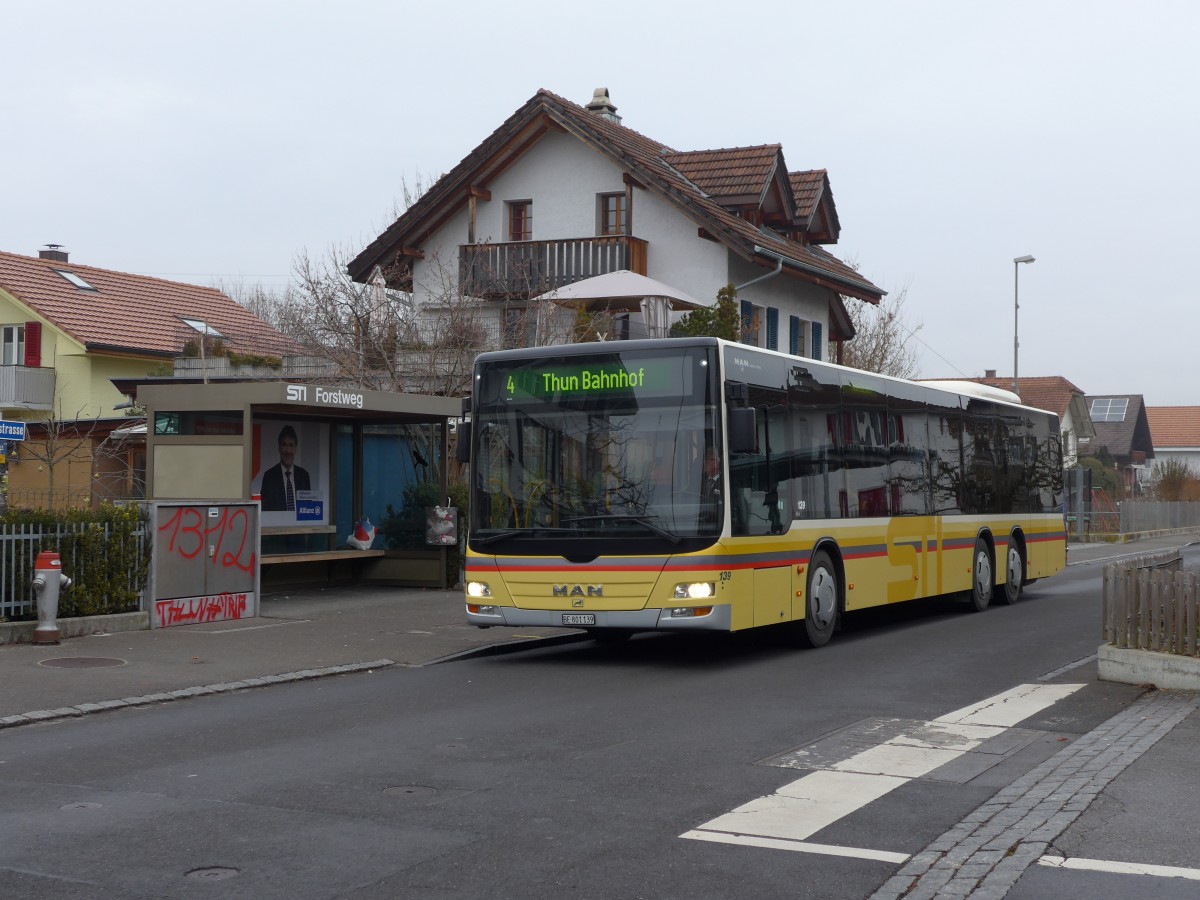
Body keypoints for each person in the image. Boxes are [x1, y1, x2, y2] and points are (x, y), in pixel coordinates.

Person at [260, 424, 312, 512]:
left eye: (291, 445)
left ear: (295, 449)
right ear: (279, 448)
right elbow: (265, 510)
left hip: (300, 526)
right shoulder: (269, 477)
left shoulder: (304, 476)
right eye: (284, 445)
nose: (288, 451)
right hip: (278, 525)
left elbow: (309, 510)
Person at [699, 448, 722, 526]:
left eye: (707, 459)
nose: (704, 462)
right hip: (700, 525)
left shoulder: (725, 482)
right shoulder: (700, 481)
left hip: (717, 526)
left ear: (716, 462)